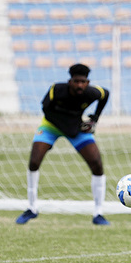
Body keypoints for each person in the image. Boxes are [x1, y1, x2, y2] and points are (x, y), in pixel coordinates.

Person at [15, 63, 111, 226]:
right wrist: (72, 127)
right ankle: (31, 208)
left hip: (75, 128)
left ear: (87, 82)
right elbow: (46, 109)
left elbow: (106, 94)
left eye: (83, 82)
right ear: (70, 81)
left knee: (96, 163)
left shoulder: (92, 93)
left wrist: (95, 118)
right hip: (51, 125)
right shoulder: (57, 90)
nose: (80, 85)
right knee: (34, 162)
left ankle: (98, 213)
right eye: (76, 81)